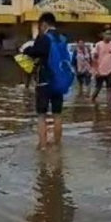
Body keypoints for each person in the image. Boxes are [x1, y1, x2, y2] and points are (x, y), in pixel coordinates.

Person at [23, 12, 66, 148]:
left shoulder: (43, 38)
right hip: (59, 81)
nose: (39, 29)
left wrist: (26, 49)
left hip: (45, 81)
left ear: (44, 24)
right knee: (57, 114)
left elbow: (35, 52)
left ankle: (43, 146)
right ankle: (57, 144)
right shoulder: (62, 38)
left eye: (40, 26)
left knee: (41, 115)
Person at [92, 29, 111, 102]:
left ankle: (109, 106)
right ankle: (92, 102)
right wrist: (96, 71)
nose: (109, 36)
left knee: (110, 89)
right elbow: (94, 59)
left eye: (110, 34)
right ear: (103, 35)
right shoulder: (98, 45)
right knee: (98, 89)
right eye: (107, 34)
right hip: (100, 71)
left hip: (110, 70)